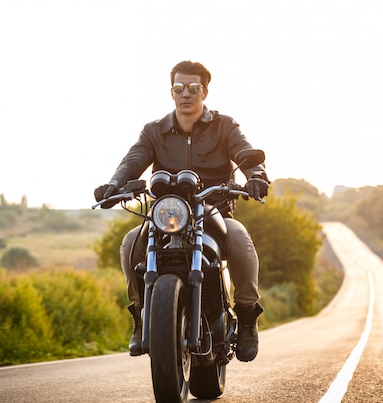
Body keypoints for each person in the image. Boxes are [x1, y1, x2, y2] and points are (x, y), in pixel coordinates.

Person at [94, 60, 270, 362]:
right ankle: (140, 316)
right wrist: (114, 184)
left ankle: (246, 317)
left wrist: (256, 175)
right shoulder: (154, 131)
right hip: (167, 215)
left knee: (241, 241)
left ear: (204, 91)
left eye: (192, 87)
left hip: (215, 212)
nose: (185, 93)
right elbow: (133, 161)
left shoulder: (224, 126)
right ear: (171, 91)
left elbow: (243, 151)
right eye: (178, 87)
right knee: (130, 244)